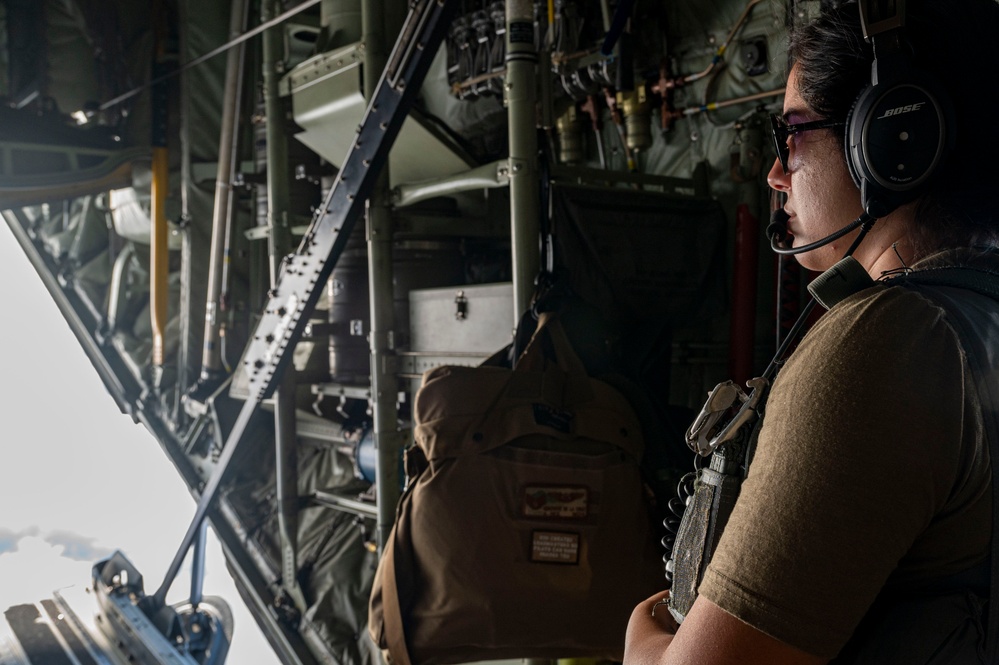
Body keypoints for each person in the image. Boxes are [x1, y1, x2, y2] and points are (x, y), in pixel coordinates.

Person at [623, 0, 999, 663]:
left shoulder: (886, 342)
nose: (774, 173)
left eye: (791, 133)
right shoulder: (975, 318)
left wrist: (643, 643)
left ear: (892, 139)